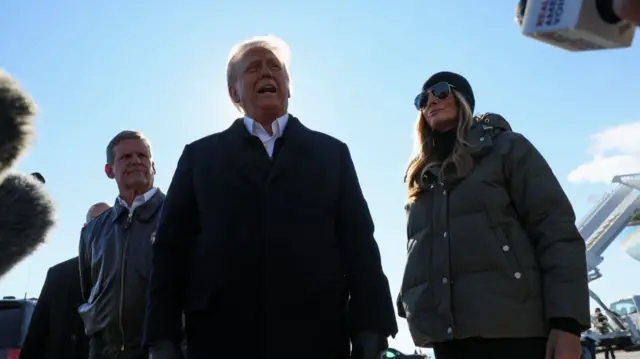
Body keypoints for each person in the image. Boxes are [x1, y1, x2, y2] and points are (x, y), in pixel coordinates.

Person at [144, 35, 398, 359]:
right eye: (252, 67)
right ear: (234, 92)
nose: (266, 73)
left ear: (288, 86)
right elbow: (169, 252)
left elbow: (360, 244)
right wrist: (161, 338)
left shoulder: (332, 154)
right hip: (220, 338)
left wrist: (371, 327)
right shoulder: (199, 158)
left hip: (316, 337)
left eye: (274, 66)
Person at [397, 71, 590, 359]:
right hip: (448, 339)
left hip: (515, 332)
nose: (430, 102)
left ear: (463, 99)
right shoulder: (422, 178)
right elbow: (418, 248)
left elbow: (555, 231)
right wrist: (408, 301)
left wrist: (567, 324)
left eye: (439, 92)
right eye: (421, 100)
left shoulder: (507, 148)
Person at [79, 130, 165, 359]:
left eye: (142, 155)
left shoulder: (180, 215)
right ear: (109, 170)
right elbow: (90, 296)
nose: (136, 161)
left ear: (153, 166)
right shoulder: (93, 233)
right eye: (126, 157)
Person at [20, 201, 111, 359]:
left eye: (108, 223)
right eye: (96, 222)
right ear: (85, 229)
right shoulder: (58, 275)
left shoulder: (126, 275)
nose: (101, 229)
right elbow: (36, 336)